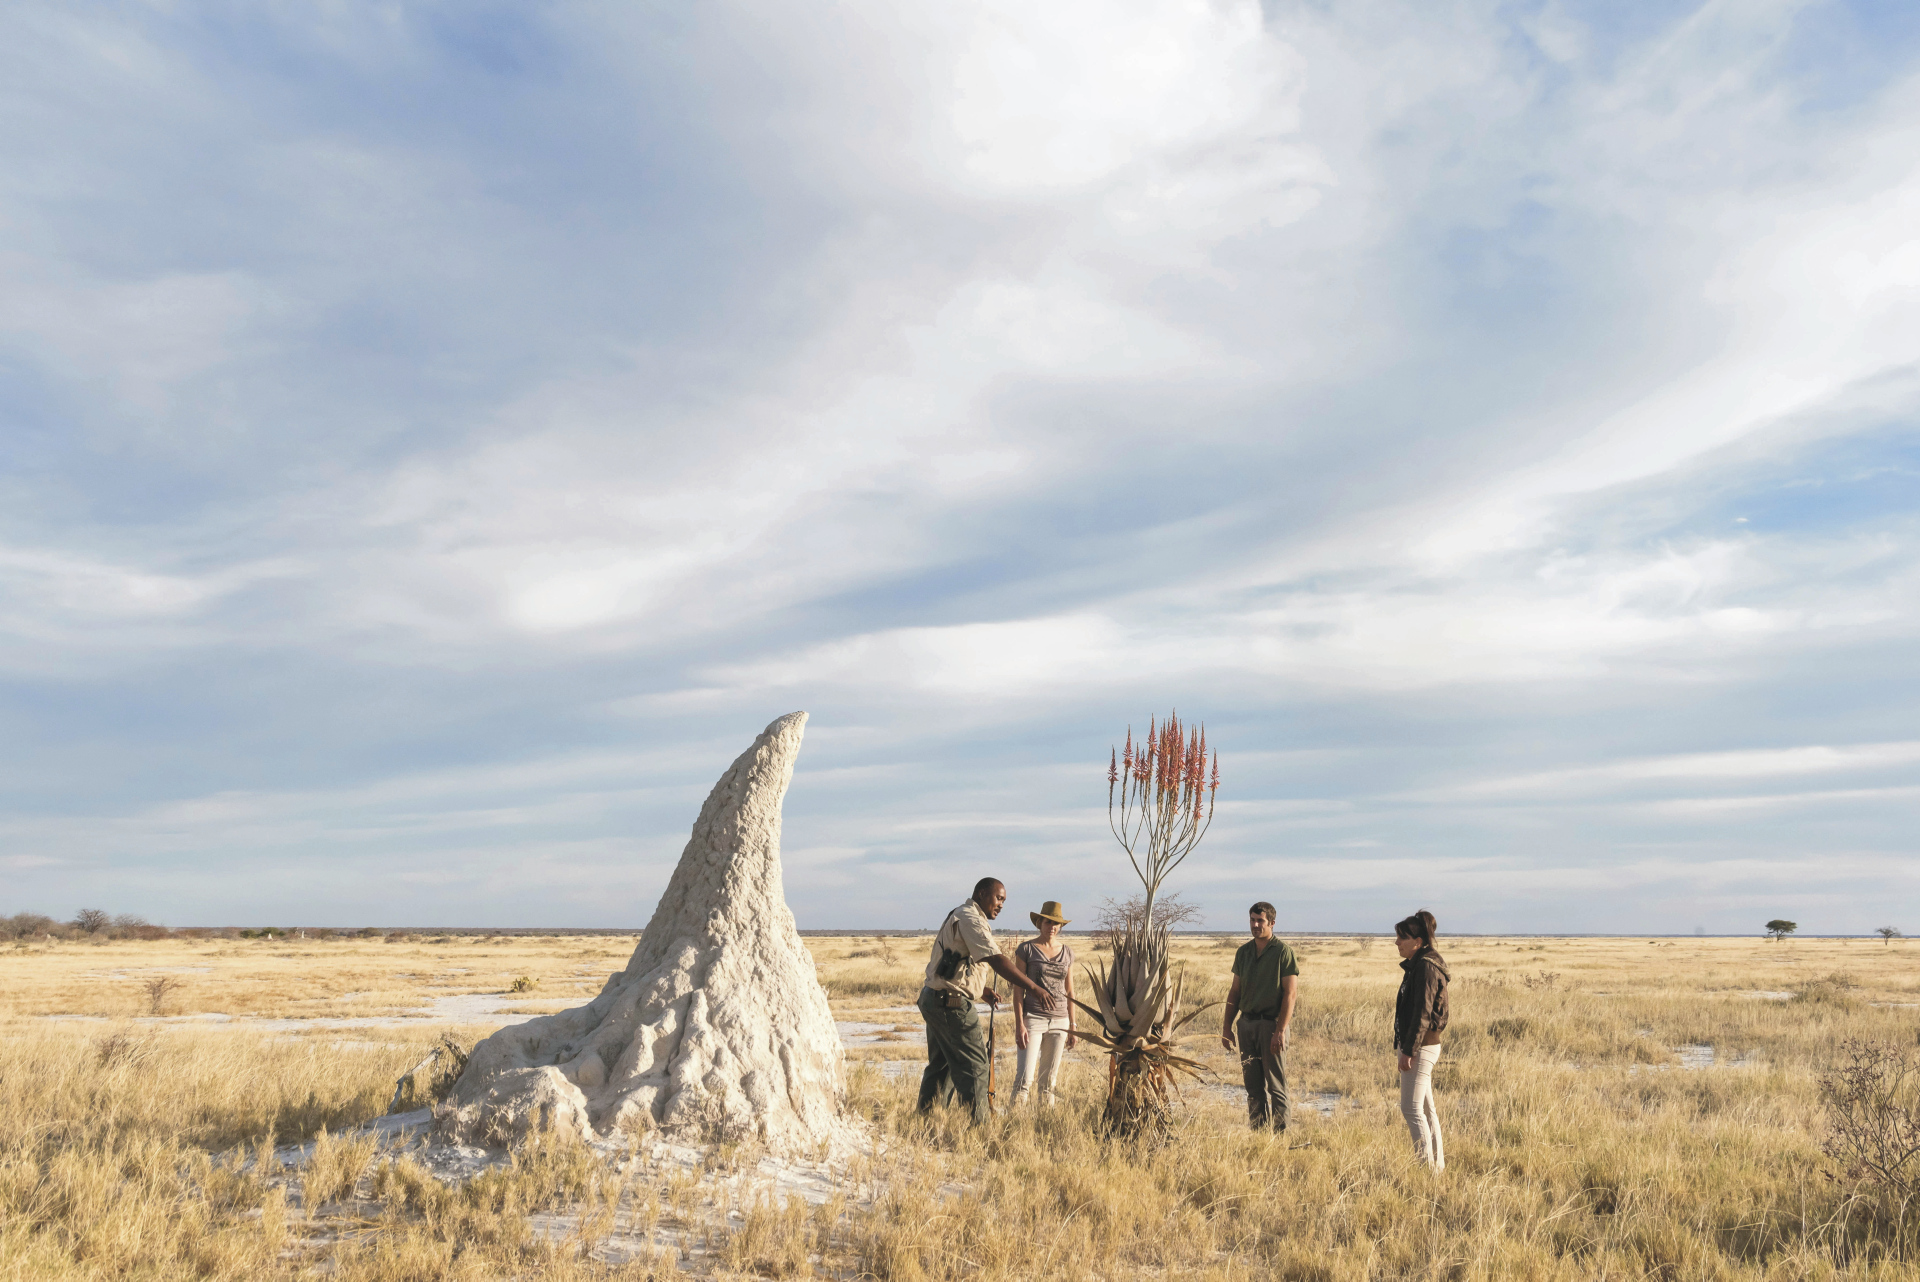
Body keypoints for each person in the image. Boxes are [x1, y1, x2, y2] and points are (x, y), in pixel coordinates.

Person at [917, 877, 1050, 1124]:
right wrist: (1033, 987)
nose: (1001, 905)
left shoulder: (958, 913)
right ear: (981, 893)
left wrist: (979, 989)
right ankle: (980, 1128)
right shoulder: (971, 918)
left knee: (941, 1066)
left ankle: (925, 1122)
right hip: (951, 1004)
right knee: (976, 1067)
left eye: (1004, 901)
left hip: (933, 997)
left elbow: (951, 962)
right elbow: (996, 959)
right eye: (998, 898)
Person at [1219, 901, 1299, 1131]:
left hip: (1271, 1025)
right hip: (1246, 1025)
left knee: (1276, 1086)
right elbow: (1235, 991)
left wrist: (1280, 1031)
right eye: (1252, 920)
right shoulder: (1243, 952)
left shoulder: (1283, 952)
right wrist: (1227, 1027)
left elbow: (1290, 994)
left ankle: (1281, 1135)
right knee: (1253, 1088)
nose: (1255, 925)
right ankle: (1258, 1134)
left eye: (1260, 921)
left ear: (1272, 923)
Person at [1393, 909, 1449, 1170]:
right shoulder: (1421, 964)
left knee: (1411, 1109)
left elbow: (1422, 1014)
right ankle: (1436, 1169)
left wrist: (1408, 1050)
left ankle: (1426, 1170)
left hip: (1421, 1046)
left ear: (1417, 941)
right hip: (1423, 1045)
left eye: (1401, 938)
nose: (1396, 942)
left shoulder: (1425, 967)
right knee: (1426, 1110)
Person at [1010, 900, 1077, 1108]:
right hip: (1033, 1018)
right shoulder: (1027, 949)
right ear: (1039, 923)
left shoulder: (1067, 952)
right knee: (1024, 1079)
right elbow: (1018, 989)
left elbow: (1070, 991)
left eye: (1056, 923)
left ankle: (1044, 1122)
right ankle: (1013, 1121)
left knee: (1048, 1082)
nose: (1052, 927)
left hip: (1060, 1021)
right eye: (1048, 922)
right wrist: (1019, 1024)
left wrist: (1073, 1026)